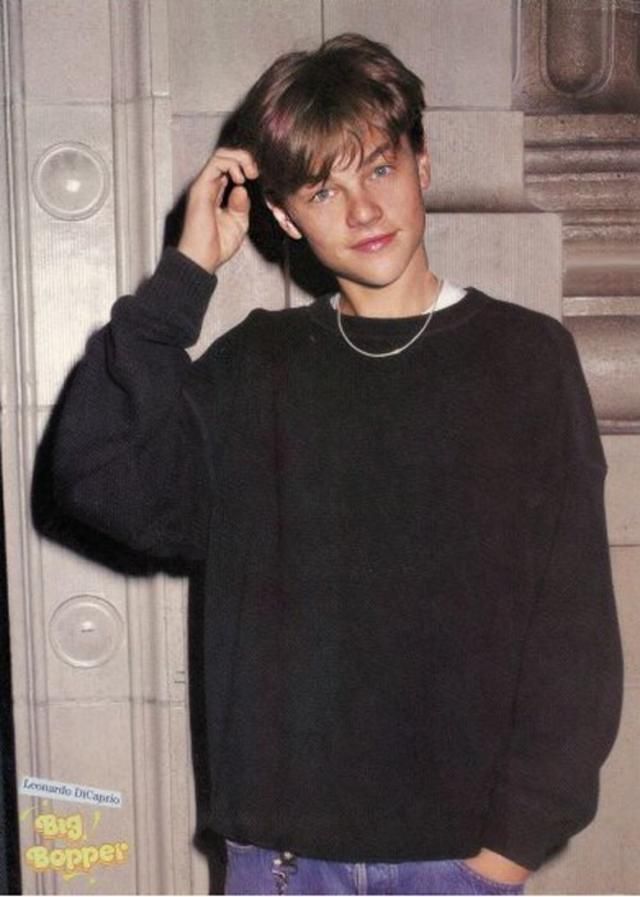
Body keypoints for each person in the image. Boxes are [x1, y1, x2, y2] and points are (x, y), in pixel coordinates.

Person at [49, 33, 623, 896]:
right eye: (324, 189)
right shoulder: (257, 367)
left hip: (454, 862)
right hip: (281, 865)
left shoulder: (524, 360)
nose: (362, 211)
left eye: (379, 169)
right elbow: (101, 483)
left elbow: (574, 628)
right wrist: (183, 278)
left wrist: (502, 855)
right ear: (284, 218)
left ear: (423, 164)